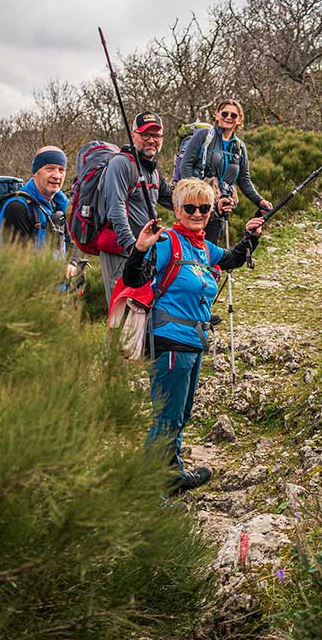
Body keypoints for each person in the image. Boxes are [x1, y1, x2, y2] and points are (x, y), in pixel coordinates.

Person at [121, 178, 266, 493]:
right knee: (166, 418)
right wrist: (140, 248)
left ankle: (172, 475)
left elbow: (232, 259)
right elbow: (133, 278)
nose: (197, 213)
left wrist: (250, 237)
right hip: (170, 342)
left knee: (181, 415)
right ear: (177, 209)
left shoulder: (202, 247)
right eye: (190, 207)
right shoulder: (167, 242)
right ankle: (146, 489)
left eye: (204, 208)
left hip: (193, 342)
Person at [97, 111, 174, 304]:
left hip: (143, 251)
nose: (152, 140)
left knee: (142, 310)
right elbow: (115, 209)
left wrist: (210, 206)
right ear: (133, 136)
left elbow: (173, 200)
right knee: (121, 310)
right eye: (145, 135)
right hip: (121, 250)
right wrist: (132, 247)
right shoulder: (121, 164)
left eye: (156, 135)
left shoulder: (152, 170)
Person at [178, 99, 272, 246]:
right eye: (224, 113)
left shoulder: (239, 147)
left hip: (220, 207)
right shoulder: (203, 136)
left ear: (239, 120)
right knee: (190, 247)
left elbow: (244, 179)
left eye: (233, 115)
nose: (228, 117)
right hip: (196, 205)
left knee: (210, 248)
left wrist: (259, 201)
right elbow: (185, 166)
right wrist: (195, 196)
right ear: (216, 115)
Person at [0, 145, 71, 253]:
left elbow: (69, 246)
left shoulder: (57, 205)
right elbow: (16, 260)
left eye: (61, 170)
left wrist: (72, 261)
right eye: (49, 169)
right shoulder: (18, 207)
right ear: (36, 173)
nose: (57, 176)